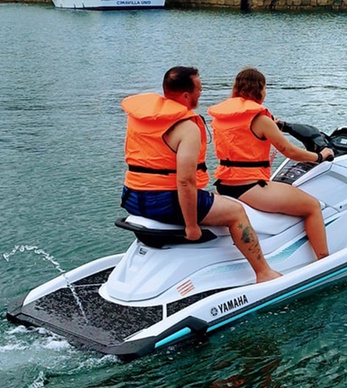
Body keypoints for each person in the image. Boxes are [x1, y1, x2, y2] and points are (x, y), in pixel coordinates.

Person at [120, 66, 281, 283]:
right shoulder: (187, 128)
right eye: (199, 89)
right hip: (166, 201)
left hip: (132, 197)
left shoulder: (139, 118)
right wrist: (192, 226)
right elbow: (185, 182)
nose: (201, 93)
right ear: (186, 95)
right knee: (236, 211)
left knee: (218, 199)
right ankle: (264, 272)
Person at [207, 68, 334, 260]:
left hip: (224, 186)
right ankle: (324, 259)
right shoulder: (260, 119)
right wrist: (319, 156)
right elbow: (289, 151)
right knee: (313, 207)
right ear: (259, 89)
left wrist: (272, 124)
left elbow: (243, 136)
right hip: (250, 187)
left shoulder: (220, 118)